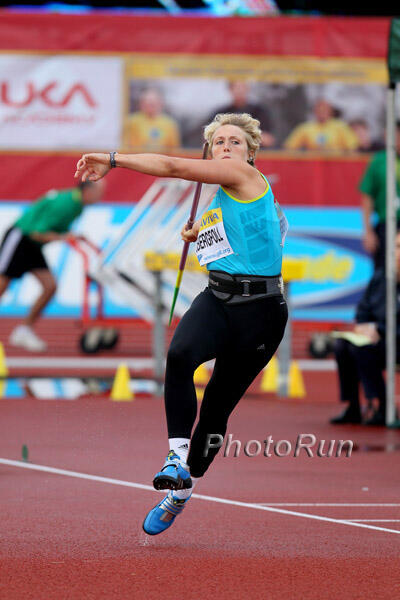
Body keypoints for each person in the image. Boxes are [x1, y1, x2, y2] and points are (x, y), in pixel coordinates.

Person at [75, 112, 288, 536]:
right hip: (218, 298)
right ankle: (175, 457)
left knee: (216, 409)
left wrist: (112, 159)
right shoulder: (223, 194)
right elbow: (264, 233)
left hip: (261, 313)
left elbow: (172, 167)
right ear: (210, 150)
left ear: (250, 153)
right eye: (219, 142)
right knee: (180, 355)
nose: (226, 148)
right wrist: (199, 235)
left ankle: (183, 489)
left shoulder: (244, 176)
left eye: (235, 142)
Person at [0, 180, 104, 352]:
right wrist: (64, 238)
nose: (101, 196)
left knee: (50, 286)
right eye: (98, 192)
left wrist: (72, 235)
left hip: (33, 246)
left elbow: (55, 228)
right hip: (21, 238)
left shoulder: (77, 205)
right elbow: (37, 233)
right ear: (87, 191)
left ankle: (24, 330)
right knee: (3, 284)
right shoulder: (66, 205)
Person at [330, 231, 400, 427]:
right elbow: (363, 308)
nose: (397, 252)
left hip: (395, 341)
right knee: (342, 345)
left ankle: (383, 406)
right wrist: (365, 327)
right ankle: (352, 406)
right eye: (396, 246)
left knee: (360, 349)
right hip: (378, 340)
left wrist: (380, 330)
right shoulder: (381, 278)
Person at [359, 120, 400, 269]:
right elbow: (367, 196)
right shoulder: (379, 161)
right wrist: (368, 231)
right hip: (387, 224)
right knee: (384, 271)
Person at [284, 98, 358, 152]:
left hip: (336, 164)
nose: (322, 113)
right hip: (313, 164)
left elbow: (353, 148)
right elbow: (289, 147)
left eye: (325, 110)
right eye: (319, 110)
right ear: (314, 111)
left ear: (330, 111)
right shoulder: (306, 128)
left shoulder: (340, 126)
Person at [124, 87, 181, 151]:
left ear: (160, 103)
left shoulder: (169, 124)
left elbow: (174, 149)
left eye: (153, 103)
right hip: (139, 156)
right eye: (147, 103)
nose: (150, 106)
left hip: (161, 157)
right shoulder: (132, 121)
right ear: (141, 104)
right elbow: (127, 146)